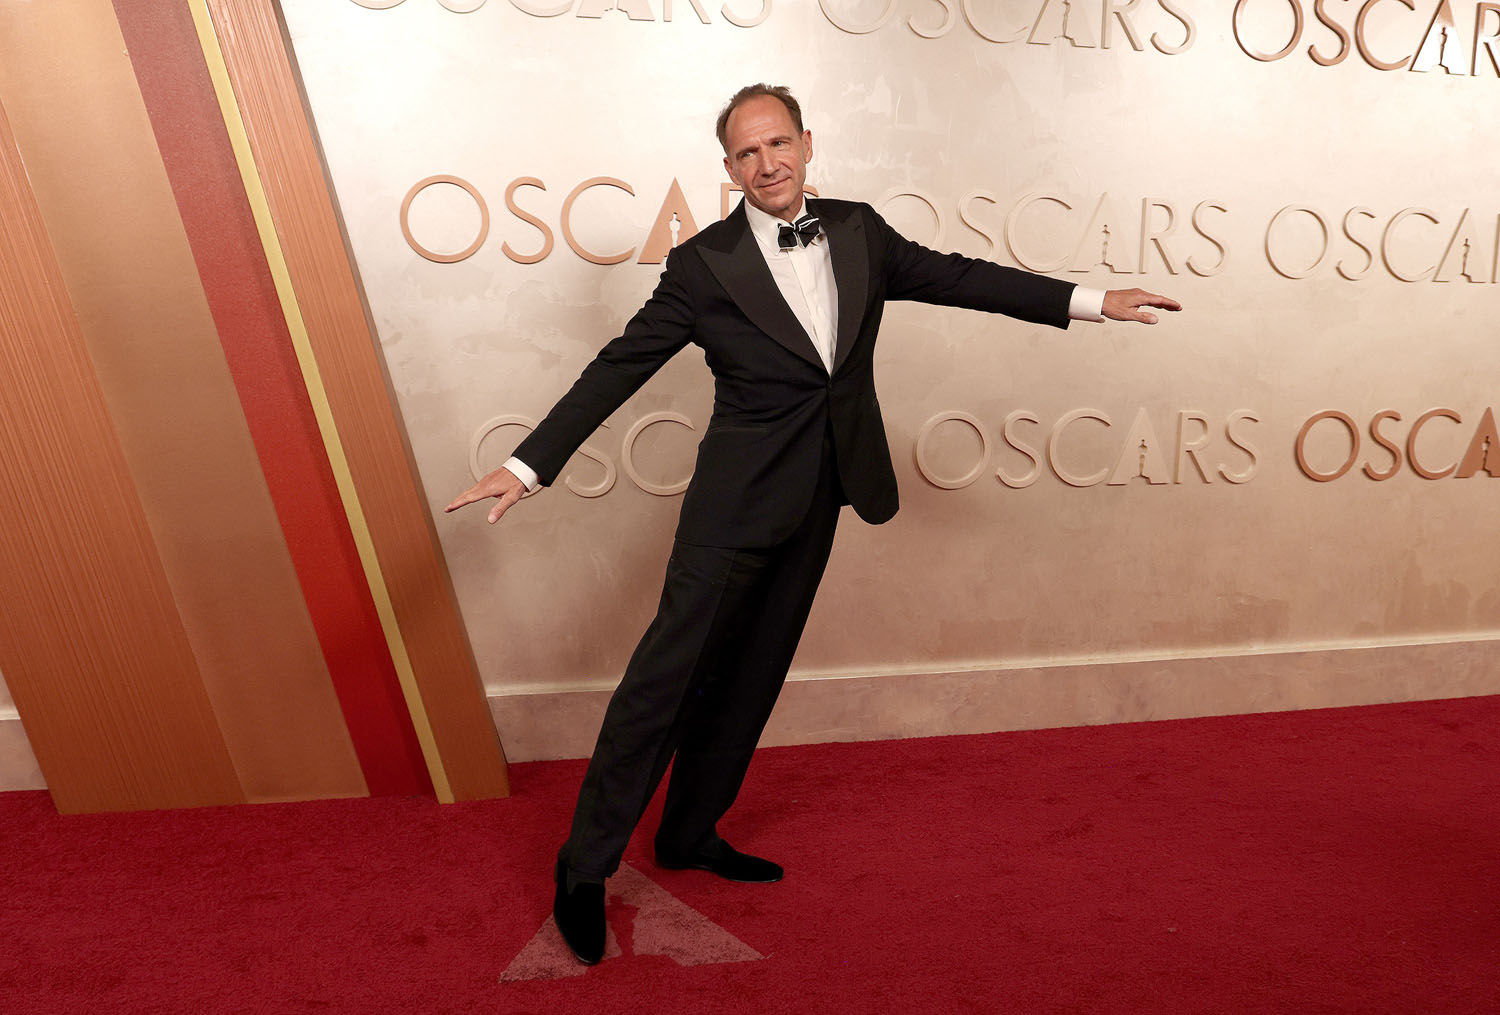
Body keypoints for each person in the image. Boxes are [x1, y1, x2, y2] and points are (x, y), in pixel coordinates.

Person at [445, 83, 1181, 965]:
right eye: (747, 153)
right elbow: (618, 366)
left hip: (823, 492)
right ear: (729, 170)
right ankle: (584, 866)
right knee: (661, 687)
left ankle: (689, 832)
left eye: (778, 143)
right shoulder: (704, 265)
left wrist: (1091, 300)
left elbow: (962, 277)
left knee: (753, 677)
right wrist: (529, 464)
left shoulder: (860, 230)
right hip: (732, 509)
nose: (768, 163)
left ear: (805, 143)